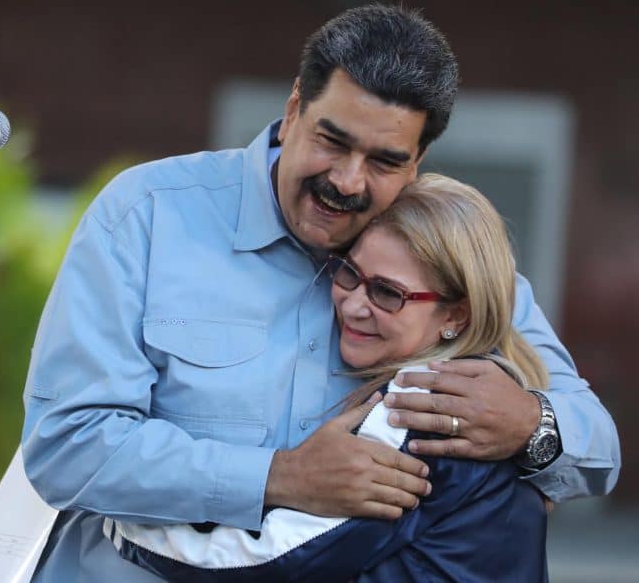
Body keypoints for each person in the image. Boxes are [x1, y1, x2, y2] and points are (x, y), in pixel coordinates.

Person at [21, 4, 620, 581]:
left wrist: (529, 424)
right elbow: (66, 446)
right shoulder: (147, 215)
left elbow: (597, 446)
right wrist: (276, 477)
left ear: (417, 162)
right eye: (333, 141)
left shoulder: (449, 268)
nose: (347, 180)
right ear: (293, 109)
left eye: (384, 161)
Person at [110, 174, 551, 582]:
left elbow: (274, 558)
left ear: (456, 314)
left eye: (387, 293)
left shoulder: (423, 406)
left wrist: (125, 532)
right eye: (350, 273)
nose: (354, 304)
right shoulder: (495, 389)